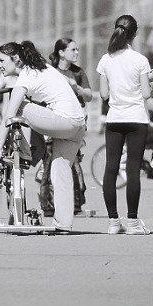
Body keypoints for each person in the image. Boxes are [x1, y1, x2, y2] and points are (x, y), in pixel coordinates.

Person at [0, 41, 86, 233]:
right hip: (78, 125)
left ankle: (27, 153)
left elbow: (8, 116)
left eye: (2, 60)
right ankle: (63, 224)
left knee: (18, 106)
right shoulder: (44, 68)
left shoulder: (26, 75)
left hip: (64, 122)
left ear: (16, 59)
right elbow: (66, 85)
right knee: (60, 172)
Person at [96, 15, 153, 235]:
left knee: (110, 168)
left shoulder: (106, 59)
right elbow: (146, 94)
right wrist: (151, 80)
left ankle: (113, 222)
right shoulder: (140, 60)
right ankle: (132, 223)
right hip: (136, 119)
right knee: (133, 170)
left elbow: (104, 94)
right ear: (135, 33)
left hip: (114, 119)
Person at [38, 37, 91, 217]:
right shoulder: (50, 71)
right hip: (54, 120)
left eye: (77, 49)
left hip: (73, 122)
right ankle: (48, 205)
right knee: (49, 163)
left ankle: (75, 203)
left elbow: (89, 95)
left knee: (72, 162)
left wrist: (77, 88)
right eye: (73, 49)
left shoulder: (78, 72)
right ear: (61, 52)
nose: (76, 53)